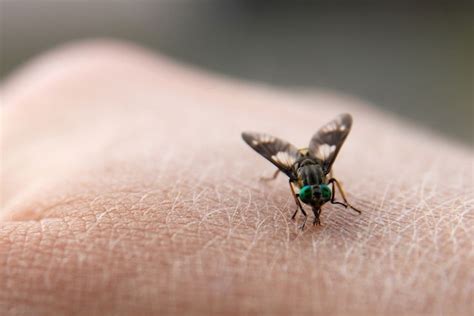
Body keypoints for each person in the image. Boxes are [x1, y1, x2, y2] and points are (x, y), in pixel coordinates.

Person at [1, 40, 472, 316]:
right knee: (285, 171)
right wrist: (291, 193)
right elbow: (293, 172)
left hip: (310, 155)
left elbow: (328, 156)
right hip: (295, 157)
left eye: (321, 193)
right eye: (316, 193)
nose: (319, 194)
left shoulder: (325, 170)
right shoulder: (294, 172)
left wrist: (339, 199)